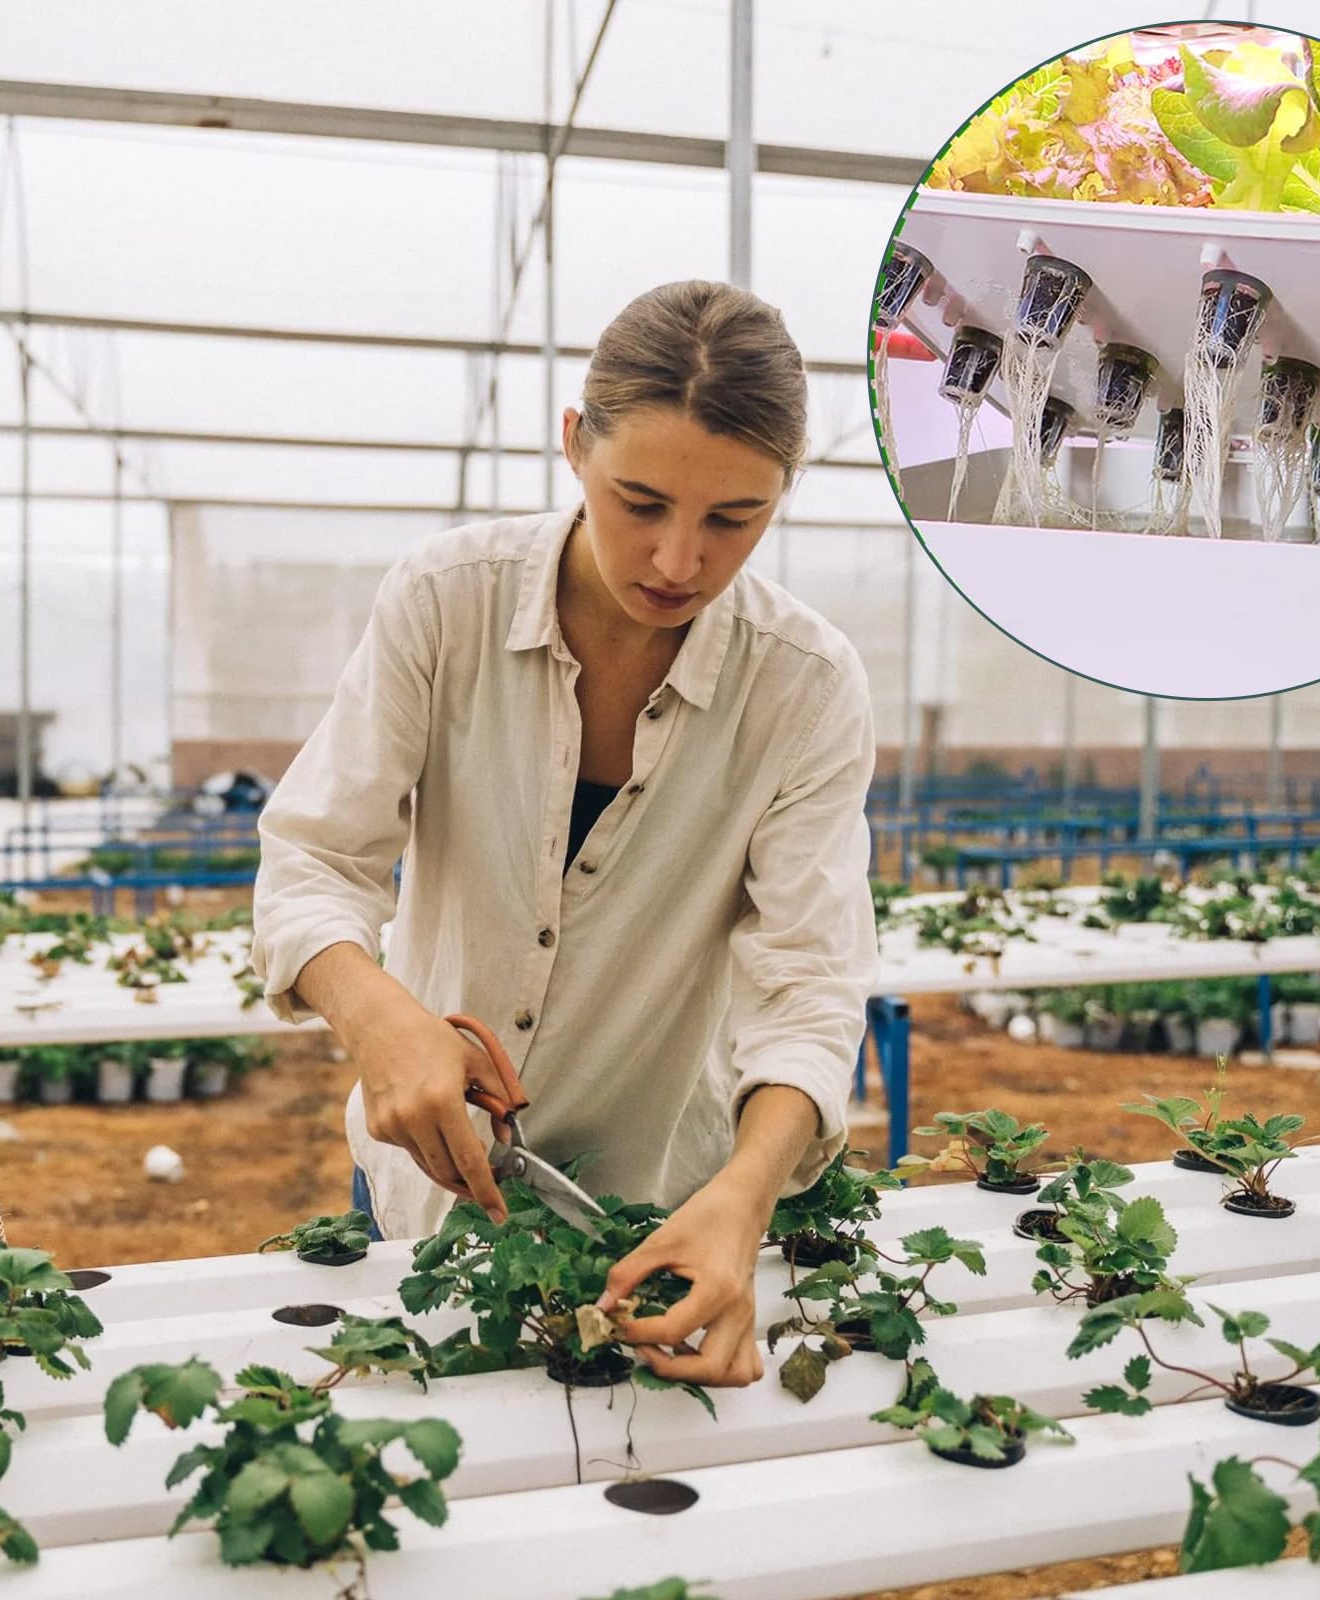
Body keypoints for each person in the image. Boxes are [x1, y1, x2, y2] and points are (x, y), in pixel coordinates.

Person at [250, 280, 878, 1389]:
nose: (679, 561)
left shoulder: (805, 686)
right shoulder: (447, 602)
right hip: (425, 1183)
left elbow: (810, 983)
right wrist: (378, 1012)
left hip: (663, 1209)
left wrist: (742, 1198)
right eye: (640, 501)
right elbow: (315, 854)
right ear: (574, 445)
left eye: (734, 520)